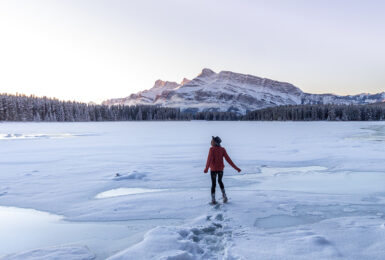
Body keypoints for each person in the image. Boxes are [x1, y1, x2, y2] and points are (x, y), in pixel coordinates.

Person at [204, 136, 241, 204]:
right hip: (220, 169)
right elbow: (229, 160)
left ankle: (213, 200)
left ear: (215, 142)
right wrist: (236, 168)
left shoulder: (212, 149)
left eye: (212, 141)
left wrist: (206, 168)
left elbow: (209, 159)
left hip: (213, 170)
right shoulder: (222, 149)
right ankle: (224, 196)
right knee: (220, 181)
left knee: (214, 184)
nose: (211, 142)